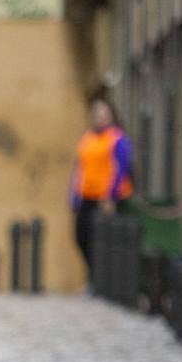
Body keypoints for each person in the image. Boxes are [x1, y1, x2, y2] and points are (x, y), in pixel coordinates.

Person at [69, 96, 134, 281]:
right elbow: (79, 167)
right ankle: (94, 277)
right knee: (81, 237)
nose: (100, 116)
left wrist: (111, 196)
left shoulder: (117, 138)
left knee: (103, 242)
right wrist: (74, 195)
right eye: (97, 113)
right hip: (86, 196)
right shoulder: (88, 138)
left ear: (112, 115)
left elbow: (121, 169)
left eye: (104, 113)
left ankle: (103, 282)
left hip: (105, 198)